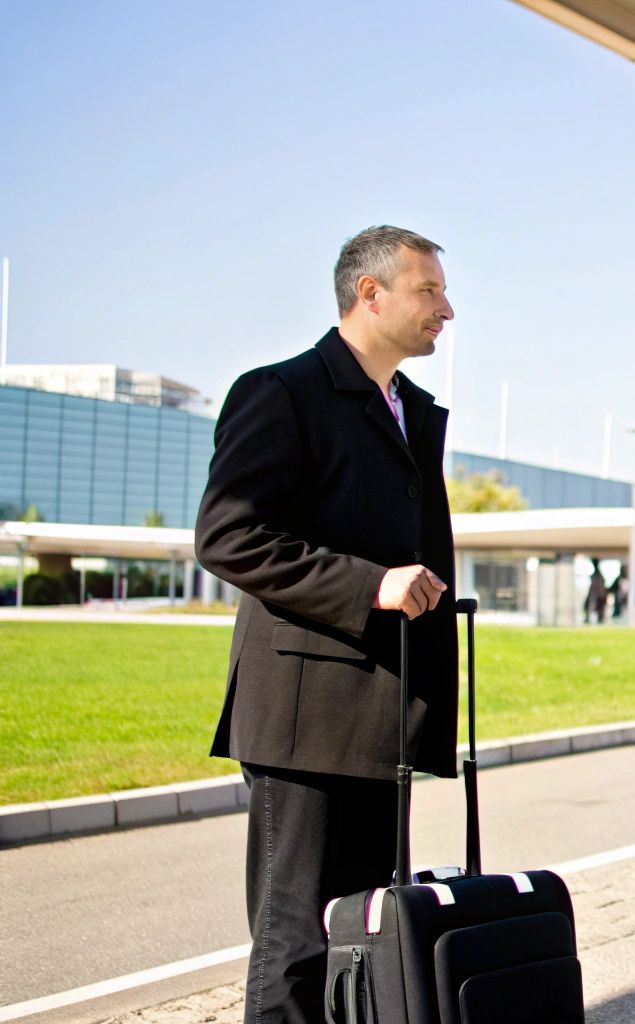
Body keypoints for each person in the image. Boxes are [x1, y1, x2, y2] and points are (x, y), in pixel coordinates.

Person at [196, 225, 457, 1024]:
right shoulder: (281, 392)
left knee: (362, 936)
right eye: (428, 291)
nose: (446, 309)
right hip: (304, 720)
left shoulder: (410, 409)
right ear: (368, 293)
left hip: (382, 710)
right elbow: (228, 536)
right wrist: (371, 585)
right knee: (295, 943)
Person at [585, 560, 608, 625]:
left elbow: (601, 587)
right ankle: (592, 621)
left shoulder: (599, 575)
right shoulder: (595, 575)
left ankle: (599, 622)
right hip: (595, 595)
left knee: (598, 610)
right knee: (592, 609)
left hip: (599, 595)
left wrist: (603, 595)